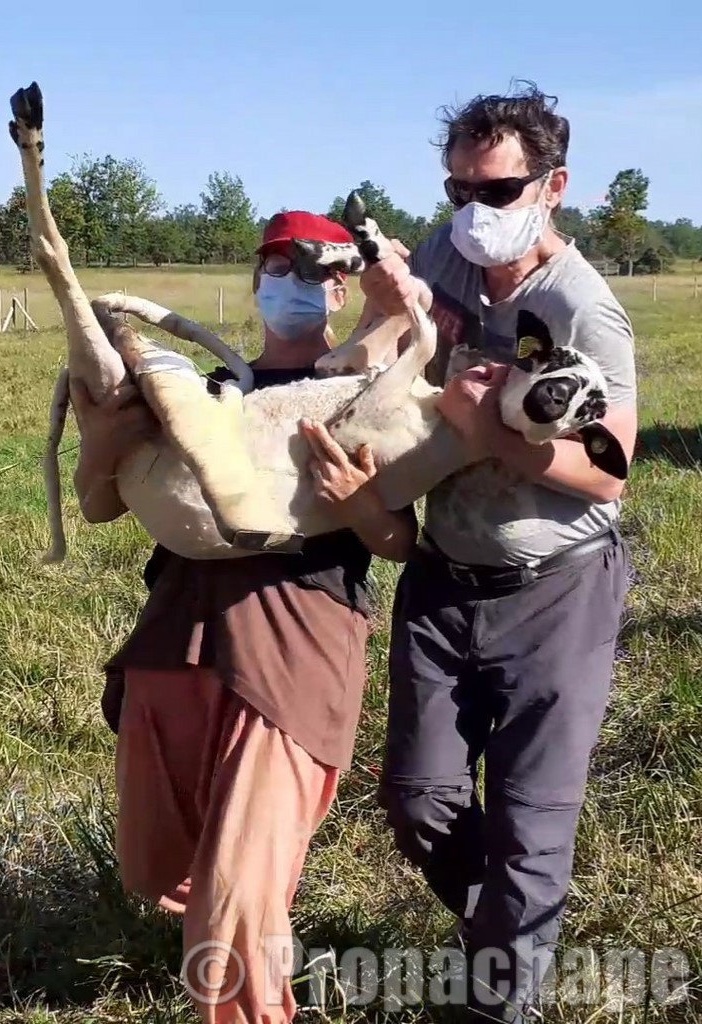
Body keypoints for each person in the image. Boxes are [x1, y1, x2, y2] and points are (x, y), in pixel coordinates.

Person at [69, 209, 418, 1024]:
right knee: (155, 865)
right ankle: (237, 920)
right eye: (275, 268)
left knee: (235, 896)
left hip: (295, 642)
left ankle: (247, 983)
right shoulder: (197, 392)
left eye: (312, 271)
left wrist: (357, 502)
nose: (289, 285)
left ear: (341, 290)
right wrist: (103, 438)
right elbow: (96, 504)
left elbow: (398, 542)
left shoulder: (359, 397)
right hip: (178, 634)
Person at [358, 83, 637, 1022]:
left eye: (496, 191)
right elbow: (406, 347)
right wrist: (393, 309)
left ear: (552, 186)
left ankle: (498, 997)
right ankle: (503, 934)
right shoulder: (448, 252)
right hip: (443, 575)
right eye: (457, 189)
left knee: (529, 824)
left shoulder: (581, 308)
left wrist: (490, 438)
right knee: (416, 796)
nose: (472, 210)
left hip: (555, 591)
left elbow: (609, 471)